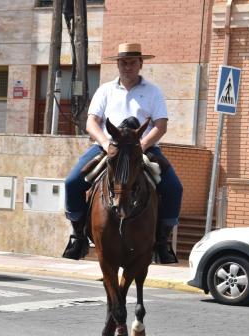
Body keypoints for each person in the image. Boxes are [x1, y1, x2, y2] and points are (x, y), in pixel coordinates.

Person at [63, 43, 183, 264]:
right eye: (123, 62)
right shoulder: (105, 90)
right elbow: (91, 122)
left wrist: (143, 145)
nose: (127, 66)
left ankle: (162, 242)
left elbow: (161, 125)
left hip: (143, 148)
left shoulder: (152, 91)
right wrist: (105, 143)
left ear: (140, 64)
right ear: (117, 64)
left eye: (132, 62)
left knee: (174, 187)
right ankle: (78, 236)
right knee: (72, 182)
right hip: (109, 148)